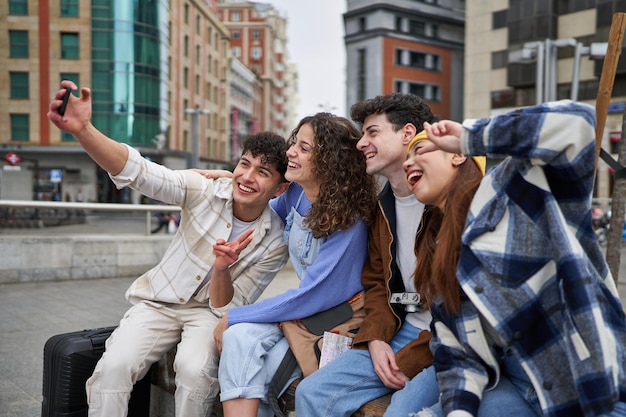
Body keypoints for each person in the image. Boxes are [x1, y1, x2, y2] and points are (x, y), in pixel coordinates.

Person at [47, 81, 291, 417]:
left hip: (208, 313)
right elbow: (141, 172)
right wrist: (83, 129)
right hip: (159, 300)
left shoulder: (276, 240)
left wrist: (222, 268)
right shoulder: (204, 189)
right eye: (244, 164)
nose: (247, 177)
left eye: (262, 172)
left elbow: (227, 306)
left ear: (280, 187)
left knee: (195, 373)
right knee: (113, 367)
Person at [405, 100, 626, 417]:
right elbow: (456, 352)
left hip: (595, 387)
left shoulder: (515, 185)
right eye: (406, 158)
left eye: (420, 149)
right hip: (518, 387)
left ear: (457, 156)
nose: (408, 162)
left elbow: (578, 122)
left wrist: (470, 136)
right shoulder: (440, 255)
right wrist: (459, 413)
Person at [213, 112, 379, 417]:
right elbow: (259, 204)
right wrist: (227, 178)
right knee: (237, 339)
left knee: (259, 372)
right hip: (304, 313)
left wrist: (234, 315)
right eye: (294, 143)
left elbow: (314, 294)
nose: (290, 151)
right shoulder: (296, 194)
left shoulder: (350, 221)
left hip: (335, 319)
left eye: (304, 148)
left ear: (329, 161)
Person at [296, 92, 442, 417]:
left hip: (447, 340)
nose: (362, 143)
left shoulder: (448, 203)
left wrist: (413, 357)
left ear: (408, 133)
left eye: (372, 132)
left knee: (399, 412)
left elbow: (468, 305)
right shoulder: (382, 207)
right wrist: (375, 339)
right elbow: (377, 283)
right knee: (311, 393)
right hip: (398, 329)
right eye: (362, 133)